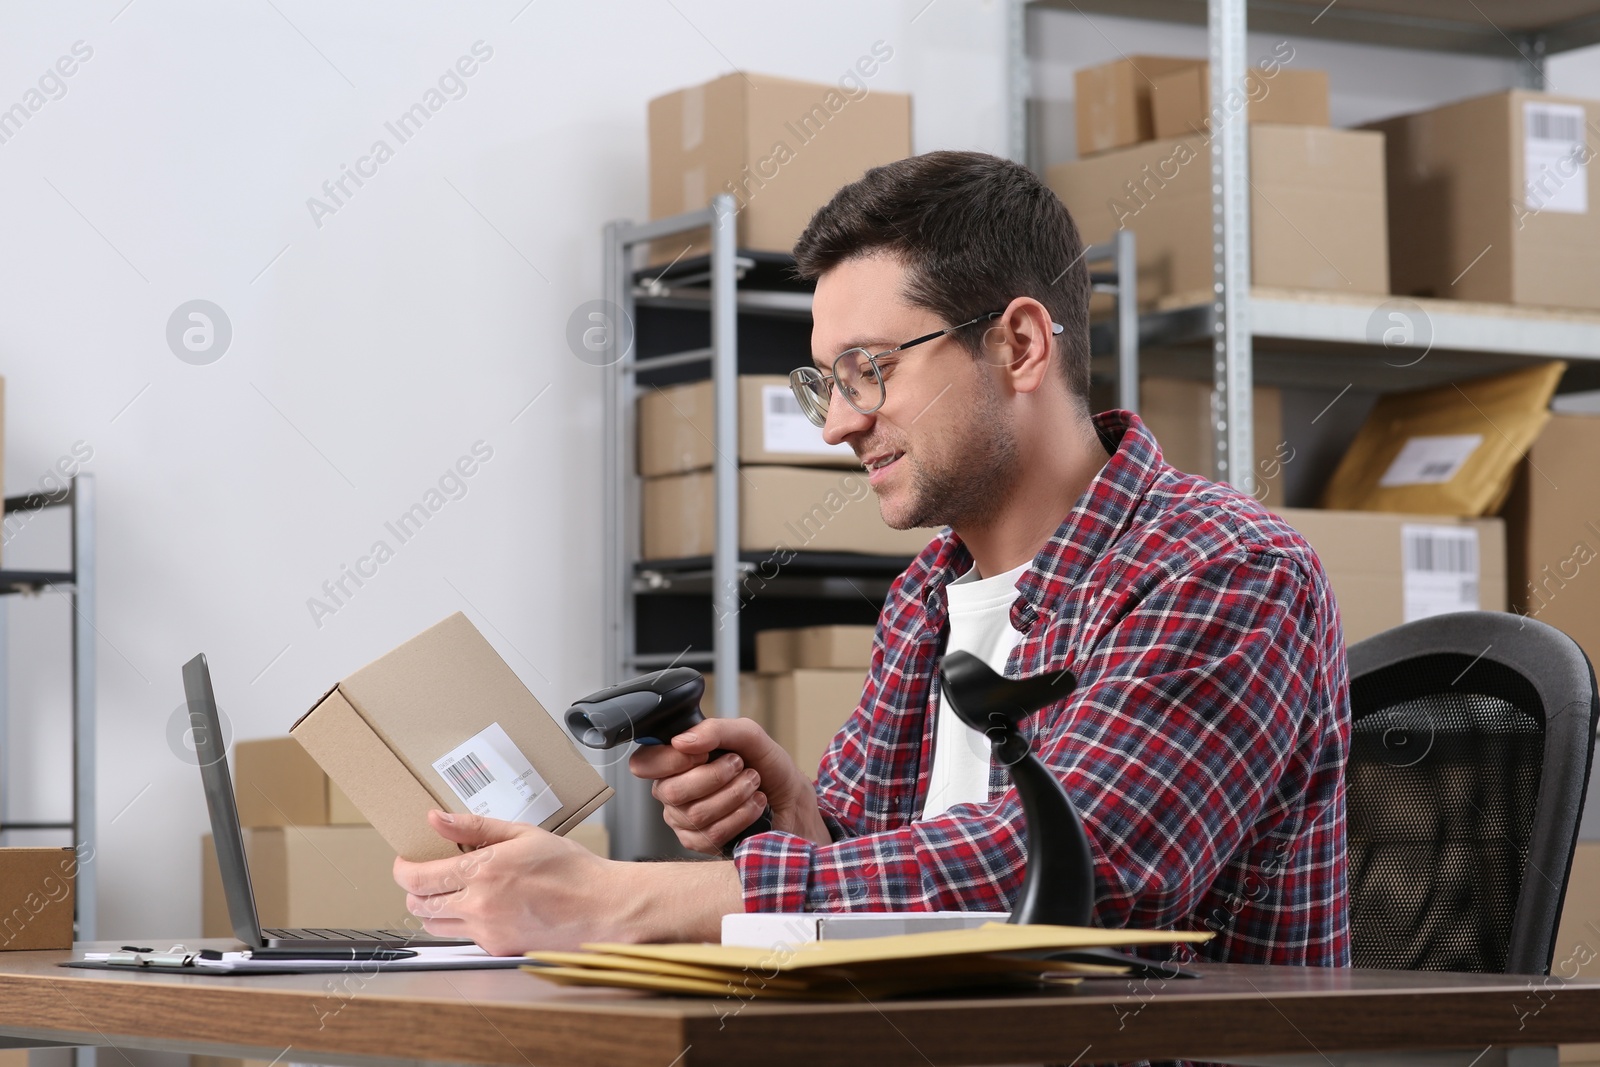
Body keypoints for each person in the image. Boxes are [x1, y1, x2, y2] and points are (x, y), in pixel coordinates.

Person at [394, 151, 1351, 966]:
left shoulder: (1225, 568)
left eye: (870, 370)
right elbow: (887, 890)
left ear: (1018, 344)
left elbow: (1072, 869)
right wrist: (797, 817)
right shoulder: (926, 595)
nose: (841, 423)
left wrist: (613, 902)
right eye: (827, 382)